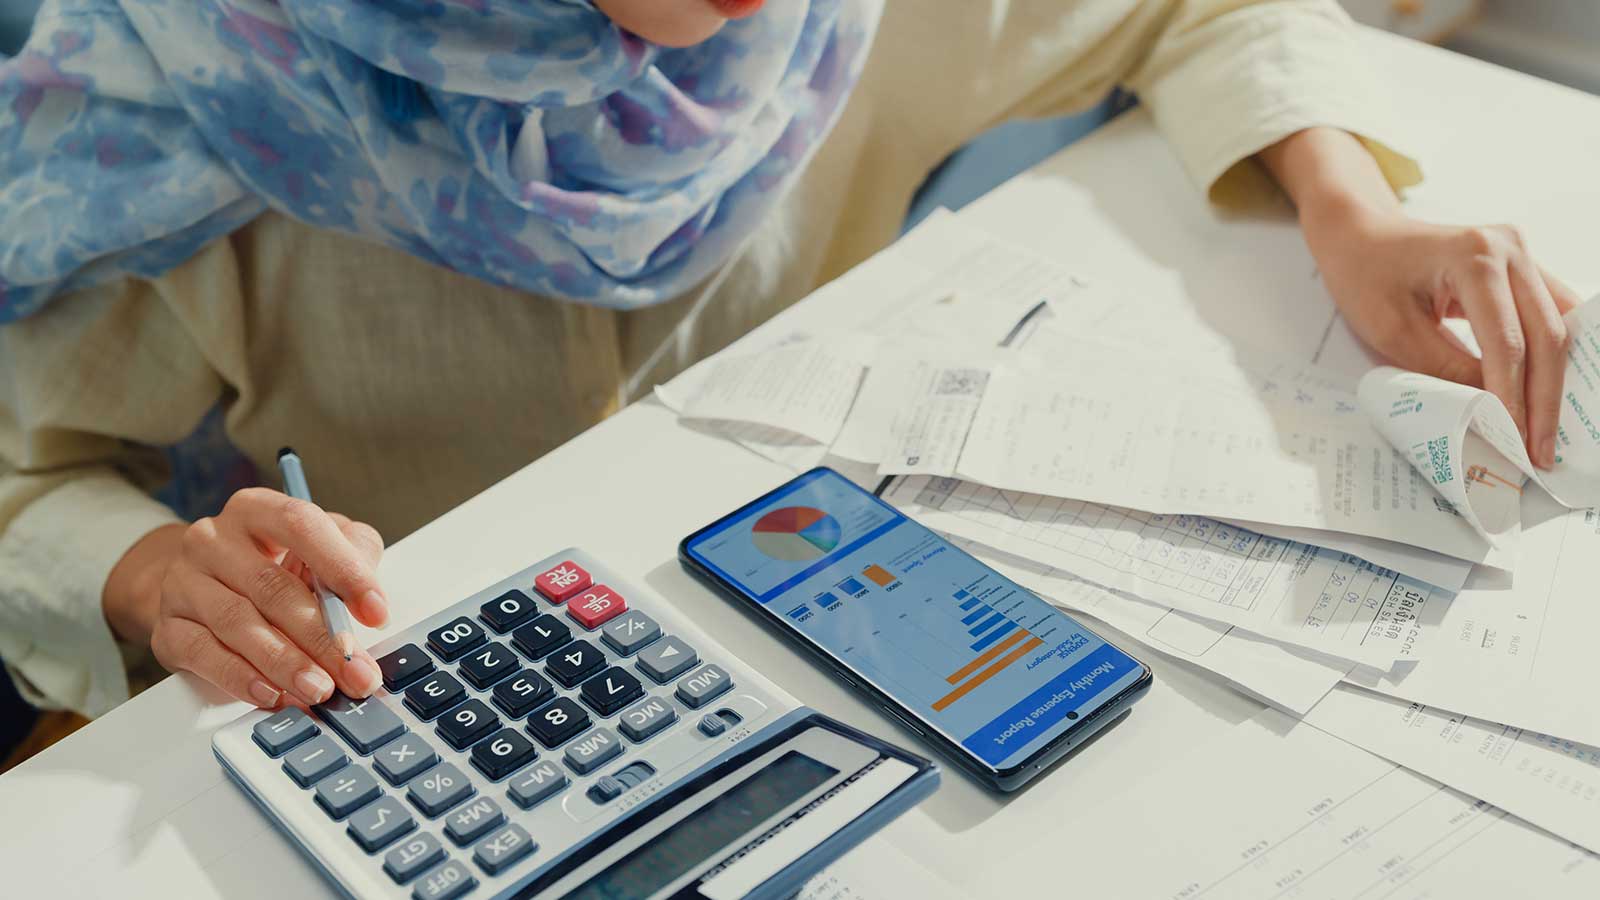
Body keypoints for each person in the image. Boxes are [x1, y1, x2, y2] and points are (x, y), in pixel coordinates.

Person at [0, 0, 1577, 720]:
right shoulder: (201, 87)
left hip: (807, 667)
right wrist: (156, 577)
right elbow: (27, 480)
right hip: (432, 736)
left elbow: (1194, 8)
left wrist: (1349, 205)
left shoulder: (828, 16)